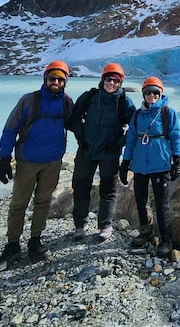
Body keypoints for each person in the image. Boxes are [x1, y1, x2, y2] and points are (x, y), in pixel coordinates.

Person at [0, 60, 74, 271]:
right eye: (52, 78)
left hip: (53, 162)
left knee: (43, 202)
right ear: (45, 79)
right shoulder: (29, 101)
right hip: (27, 161)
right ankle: (12, 245)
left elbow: (75, 124)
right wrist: (4, 158)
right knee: (18, 204)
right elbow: (10, 129)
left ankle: (35, 241)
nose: (55, 82)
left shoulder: (65, 102)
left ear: (65, 82)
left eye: (60, 79)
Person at [66, 62, 136, 241]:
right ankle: (79, 225)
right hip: (86, 150)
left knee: (108, 190)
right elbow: (73, 117)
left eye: (115, 80)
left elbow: (136, 127)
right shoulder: (90, 97)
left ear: (120, 83)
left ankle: (105, 225)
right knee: (81, 186)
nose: (111, 83)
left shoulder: (124, 102)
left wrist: (118, 143)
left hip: (109, 153)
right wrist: (80, 134)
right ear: (102, 79)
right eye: (108, 79)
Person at [119, 76, 180, 258]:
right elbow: (131, 138)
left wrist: (177, 159)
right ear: (144, 94)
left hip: (160, 163)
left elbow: (176, 136)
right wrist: (125, 162)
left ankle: (166, 239)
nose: (152, 95)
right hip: (140, 164)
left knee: (161, 204)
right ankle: (145, 231)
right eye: (148, 92)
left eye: (156, 92)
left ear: (161, 93)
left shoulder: (167, 112)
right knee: (141, 199)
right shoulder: (138, 115)